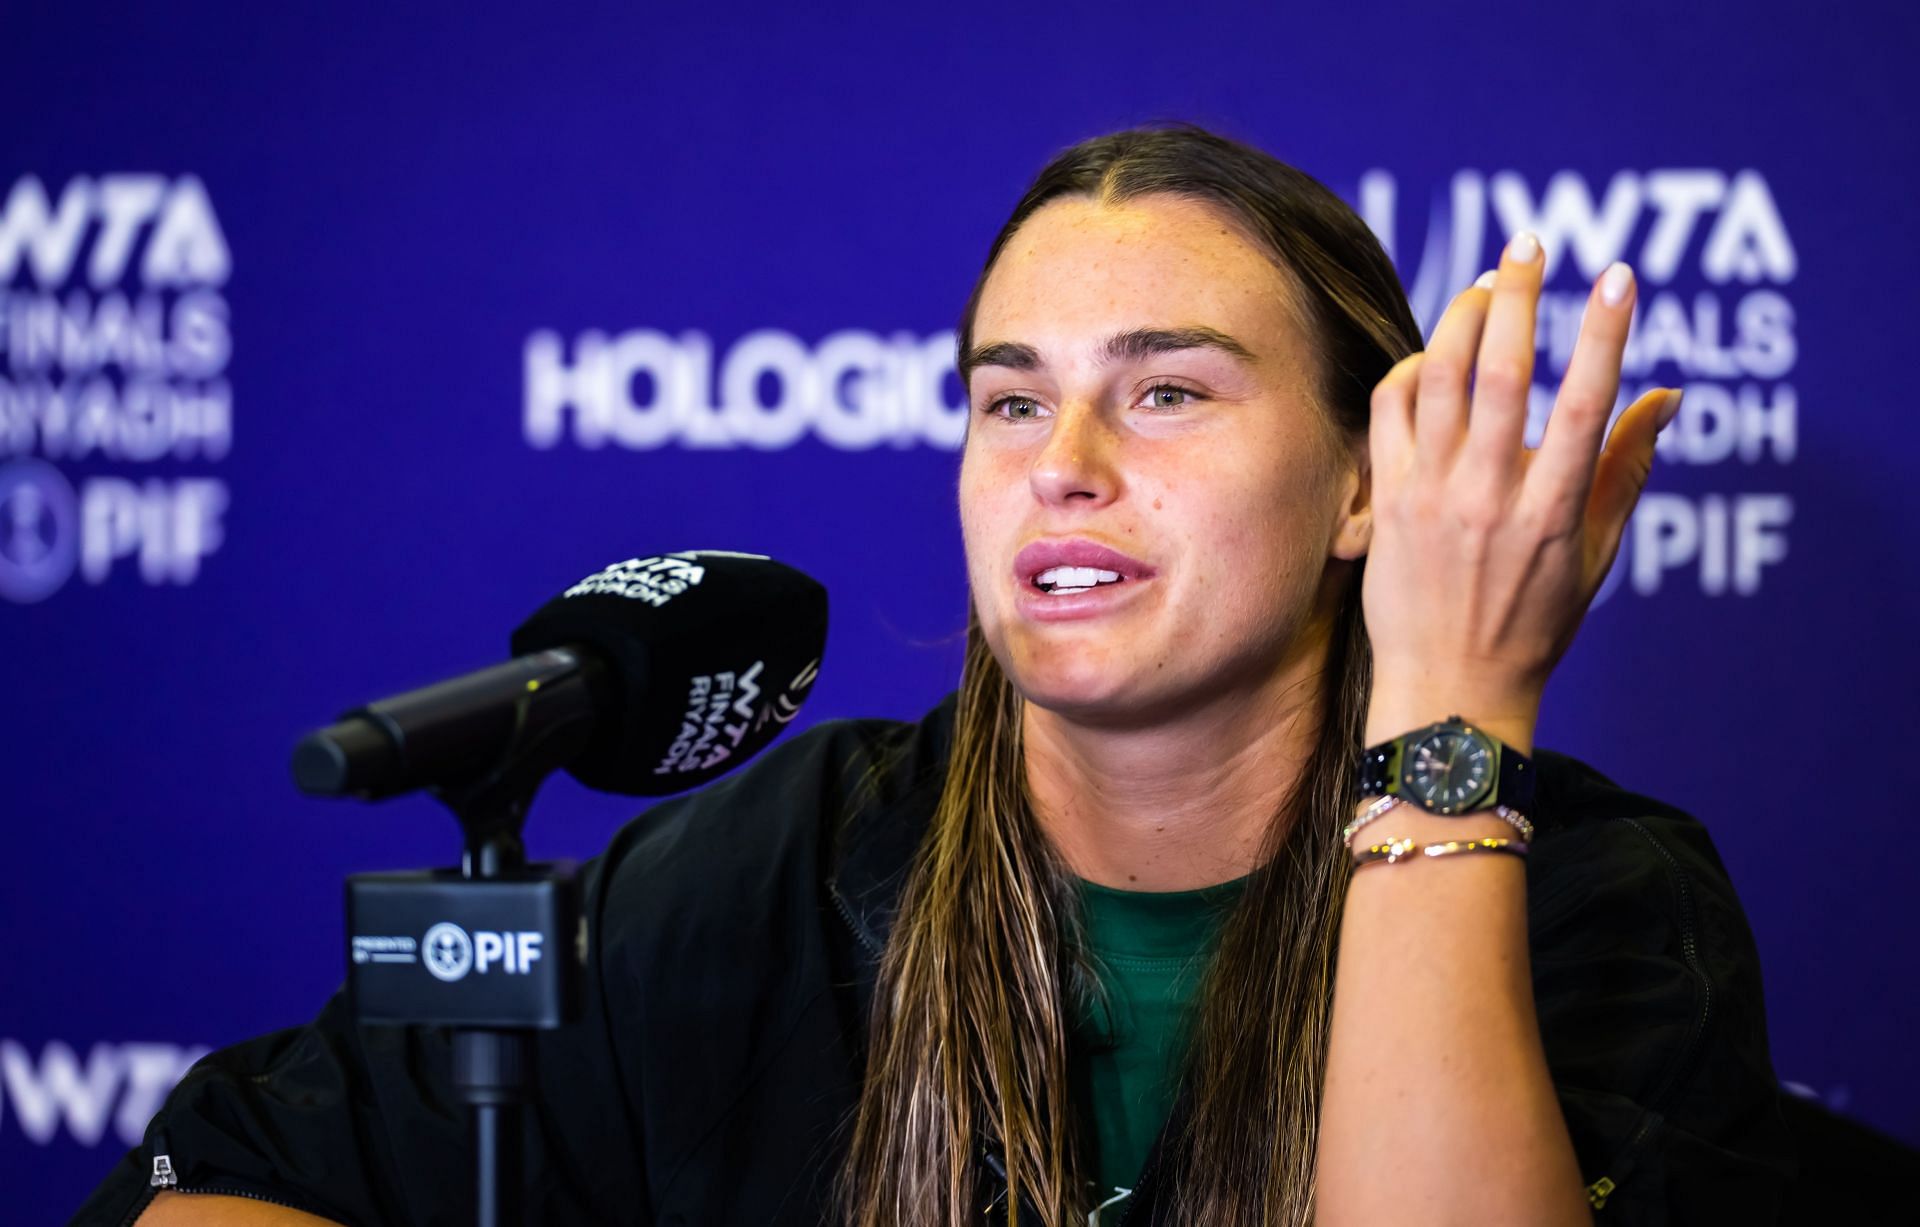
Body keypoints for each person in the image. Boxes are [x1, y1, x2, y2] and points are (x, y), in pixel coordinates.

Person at [77, 124, 1794, 1226]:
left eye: (1171, 391)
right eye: (1010, 397)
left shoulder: (1602, 903)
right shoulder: (788, 866)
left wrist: (1453, 720)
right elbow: (225, 1177)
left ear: (1369, 482)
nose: (1066, 460)